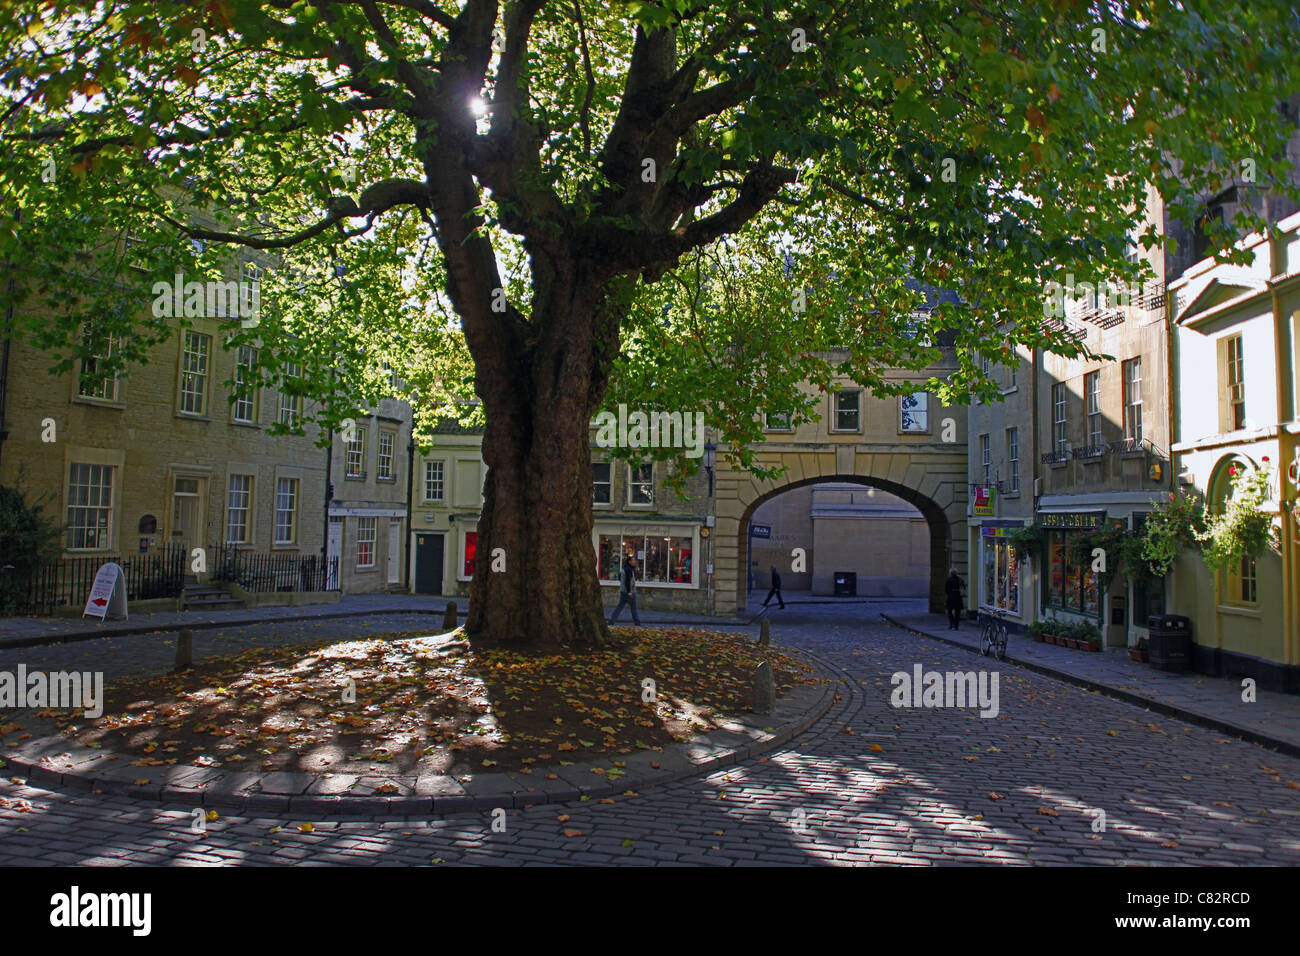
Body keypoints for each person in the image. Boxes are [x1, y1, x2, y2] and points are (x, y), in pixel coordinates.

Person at [609, 554, 642, 625]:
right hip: (629, 592)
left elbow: (620, 578)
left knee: (619, 607)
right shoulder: (629, 570)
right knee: (633, 609)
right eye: (633, 560)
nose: (634, 562)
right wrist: (629, 591)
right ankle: (637, 623)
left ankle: (611, 622)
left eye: (634, 560)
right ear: (629, 562)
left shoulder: (624, 568)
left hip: (623, 591)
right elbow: (627, 581)